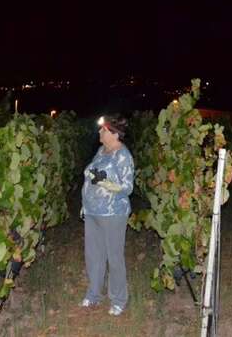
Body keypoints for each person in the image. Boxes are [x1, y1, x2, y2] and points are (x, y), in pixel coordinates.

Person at [79, 115, 134, 316]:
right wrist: (85, 203)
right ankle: (94, 294)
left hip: (113, 213)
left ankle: (119, 299)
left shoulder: (123, 155)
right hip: (93, 211)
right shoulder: (101, 151)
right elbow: (91, 176)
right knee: (94, 256)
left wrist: (106, 183)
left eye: (103, 130)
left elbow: (127, 187)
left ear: (113, 133)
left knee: (114, 257)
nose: (99, 133)